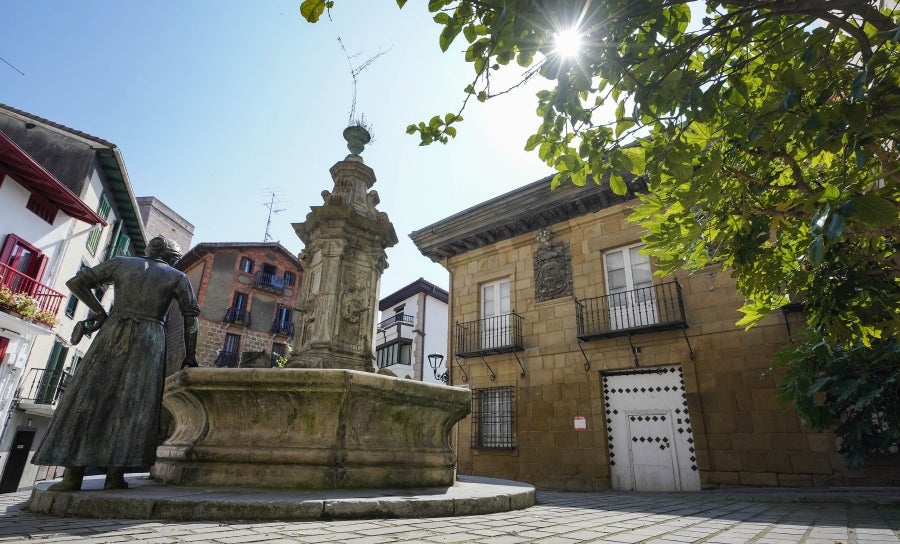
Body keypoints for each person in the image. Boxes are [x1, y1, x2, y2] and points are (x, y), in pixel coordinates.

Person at [31, 235, 200, 491]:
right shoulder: (177, 277)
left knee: (89, 396)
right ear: (171, 258)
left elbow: (76, 282)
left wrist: (99, 312)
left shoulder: (121, 263)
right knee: (135, 404)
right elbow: (191, 318)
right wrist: (190, 355)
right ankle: (114, 476)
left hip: (112, 330)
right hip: (149, 337)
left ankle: (72, 476)